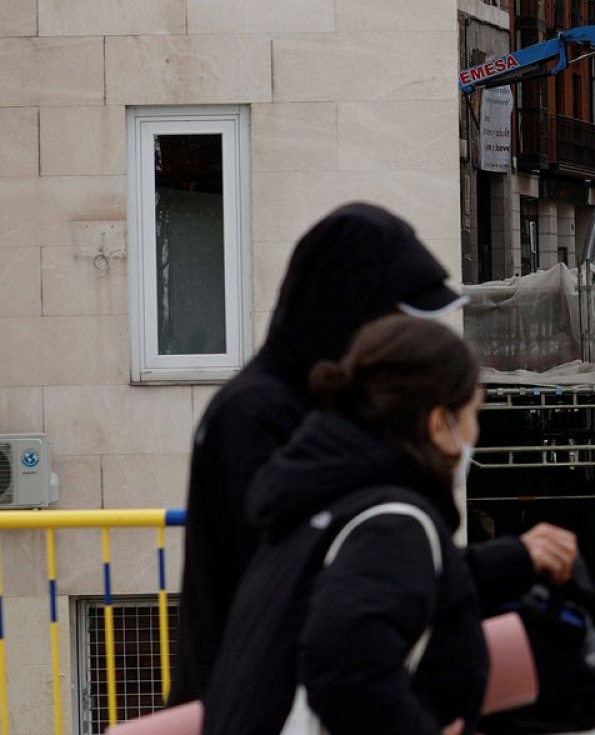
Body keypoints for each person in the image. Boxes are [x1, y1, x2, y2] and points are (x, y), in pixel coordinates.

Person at [172, 203, 573, 703]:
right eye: (398, 323)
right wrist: (507, 561)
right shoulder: (258, 416)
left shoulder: (297, 409)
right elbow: (326, 593)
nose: (409, 345)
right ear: (352, 314)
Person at [203, 315, 527, 734]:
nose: (474, 432)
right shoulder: (393, 525)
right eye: (472, 413)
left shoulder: (312, 511)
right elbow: (346, 673)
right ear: (438, 425)